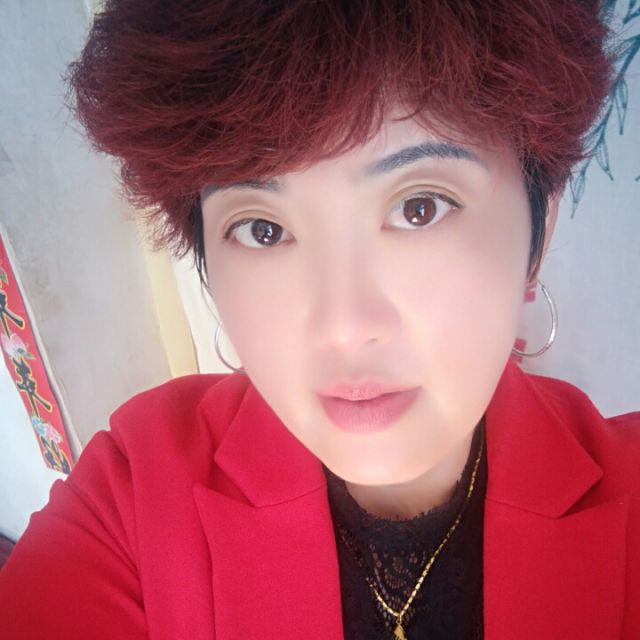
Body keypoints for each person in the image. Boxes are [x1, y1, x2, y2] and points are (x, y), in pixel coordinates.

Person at [1, 1, 639, 638]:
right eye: (262, 229)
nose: (343, 328)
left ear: (539, 229)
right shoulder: (134, 498)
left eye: (419, 208)